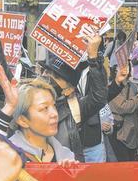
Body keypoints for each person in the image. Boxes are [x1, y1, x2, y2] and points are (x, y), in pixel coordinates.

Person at [40, 32, 108, 163]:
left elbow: (99, 97)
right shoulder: (27, 100)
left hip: (65, 170)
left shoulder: (76, 108)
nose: (47, 78)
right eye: (47, 71)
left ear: (69, 90)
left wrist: (93, 59)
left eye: (56, 77)